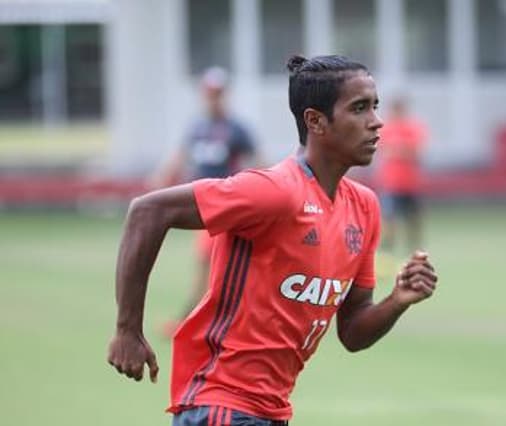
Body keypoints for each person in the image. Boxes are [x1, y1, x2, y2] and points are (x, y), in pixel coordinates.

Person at [107, 55, 439, 425]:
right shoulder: (274, 192)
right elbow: (147, 212)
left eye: (374, 107)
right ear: (315, 121)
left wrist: (398, 300)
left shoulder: (364, 208)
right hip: (222, 406)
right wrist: (127, 330)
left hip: (268, 412)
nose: (377, 123)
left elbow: (353, 331)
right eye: (359, 108)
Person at [150, 66, 258, 336]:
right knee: (212, 266)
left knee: (207, 265)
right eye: (210, 94)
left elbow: (257, 162)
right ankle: (207, 320)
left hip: (225, 206)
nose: (214, 99)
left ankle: (190, 321)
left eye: (219, 94)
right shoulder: (197, 127)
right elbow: (181, 156)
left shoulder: (237, 129)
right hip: (201, 205)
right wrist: (161, 181)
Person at [375, 94, 428, 254]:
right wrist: (403, 149)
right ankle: (387, 248)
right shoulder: (384, 128)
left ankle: (414, 248)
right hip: (391, 182)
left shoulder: (413, 127)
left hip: (411, 182)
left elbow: (417, 151)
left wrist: (396, 150)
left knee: (413, 218)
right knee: (388, 217)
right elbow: (382, 150)